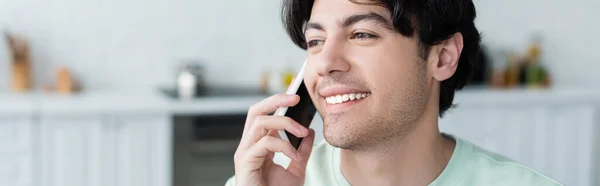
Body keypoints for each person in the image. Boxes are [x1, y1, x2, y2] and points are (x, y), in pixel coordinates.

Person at [225, 0, 562, 185]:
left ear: (442, 57)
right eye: (315, 41)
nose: (325, 63)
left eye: (361, 35)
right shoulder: (263, 182)